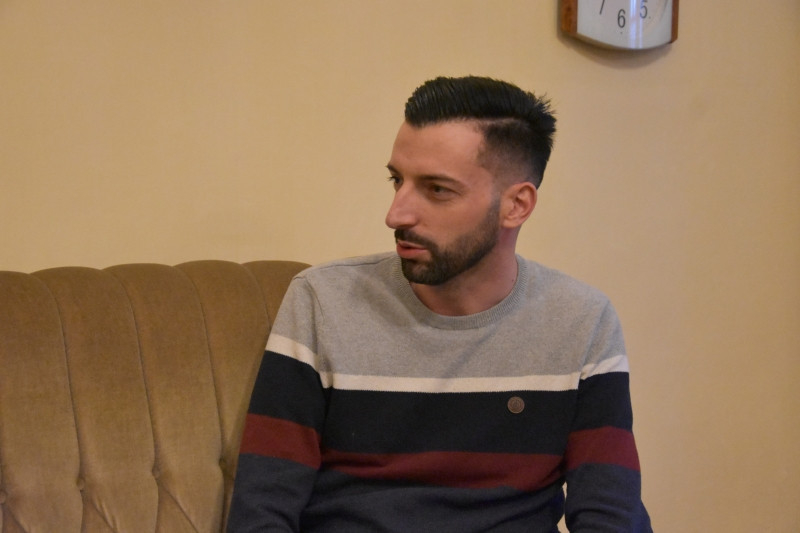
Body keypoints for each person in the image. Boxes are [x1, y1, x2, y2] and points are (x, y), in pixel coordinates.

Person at [228, 76, 651, 532]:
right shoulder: (322, 301)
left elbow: (611, 515)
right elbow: (261, 513)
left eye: (437, 189)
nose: (396, 214)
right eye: (397, 180)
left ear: (516, 205)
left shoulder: (581, 321)